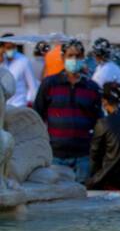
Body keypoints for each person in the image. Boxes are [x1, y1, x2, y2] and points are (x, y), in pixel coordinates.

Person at [32, 39, 102, 180]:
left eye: (78, 56)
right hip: (55, 155)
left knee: (83, 197)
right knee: (57, 197)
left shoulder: (92, 87)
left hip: (83, 155)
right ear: (63, 57)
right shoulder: (50, 84)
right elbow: (37, 116)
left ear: (83, 58)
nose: (74, 59)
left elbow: (98, 121)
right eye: (70, 56)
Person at [0, 35, 37, 108]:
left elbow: (32, 86)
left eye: (13, 47)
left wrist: (28, 101)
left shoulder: (23, 60)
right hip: (3, 108)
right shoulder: (2, 62)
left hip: (19, 105)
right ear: (3, 48)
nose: (12, 50)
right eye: (8, 48)